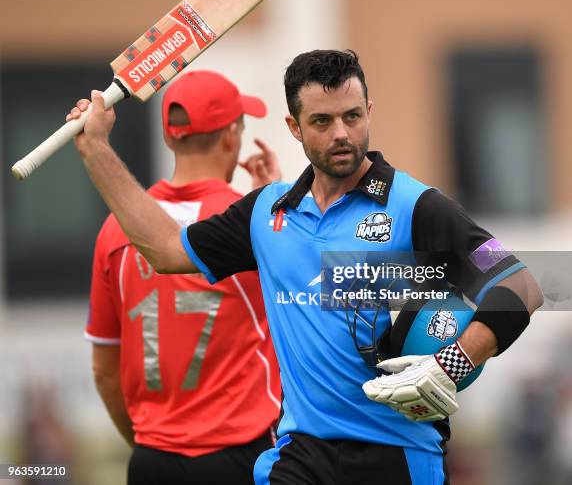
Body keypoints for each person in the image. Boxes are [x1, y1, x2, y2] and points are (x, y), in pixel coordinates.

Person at [68, 50, 543, 485]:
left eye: (352, 116)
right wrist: (97, 153)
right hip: (300, 459)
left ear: (369, 114)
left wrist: (450, 363)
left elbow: (520, 284)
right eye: (322, 120)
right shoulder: (265, 213)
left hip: (397, 456)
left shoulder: (418, 206)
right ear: (294, 127)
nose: (341, 133)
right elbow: (167, 249)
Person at [83, 70, 281, 485]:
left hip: (153, 460)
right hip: (243, 456)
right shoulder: (252, 224)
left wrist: (145, 444)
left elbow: (105, 371)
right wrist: (271, 203)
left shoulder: (116, 228)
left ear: (170, 138)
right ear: (231, 137)